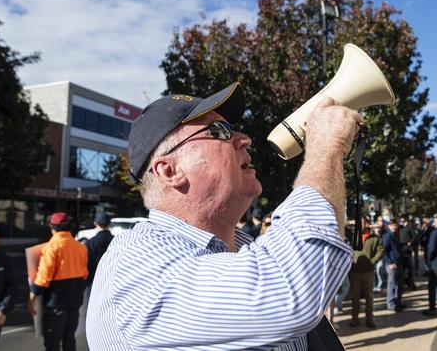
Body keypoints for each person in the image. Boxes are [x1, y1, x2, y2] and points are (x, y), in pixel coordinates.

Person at [86, 84, 363, 349]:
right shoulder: (135, 266)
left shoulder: (241, 248)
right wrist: (327, 148)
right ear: (169, 171)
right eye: (219, 131)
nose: (244, 139)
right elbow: (288, 291)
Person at [29, 212, 88, 351]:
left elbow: (44, 277)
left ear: (51, 226)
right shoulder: (81, 247)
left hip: (56, 303)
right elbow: (85, 274)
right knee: (69, 340)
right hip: (74, 300)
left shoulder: (51, 247)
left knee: (52, 343)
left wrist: (32, 297)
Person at [350, 218, 384, 328]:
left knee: (369, 297)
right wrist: (351, 222)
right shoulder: (353, 236)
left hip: (368, 271)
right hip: (355, 271)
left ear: (367, 224)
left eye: (362, 222)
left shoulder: (374, 238)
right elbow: (342, 225)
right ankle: (355, 318)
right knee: (355, 296)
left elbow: (381, 251)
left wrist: (372, 261)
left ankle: (369, 319)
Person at [85, 212, 114, 286]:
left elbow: (87, 264)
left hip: (93, 280)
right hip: (111, 279)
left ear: (95, 223)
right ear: (109, 223)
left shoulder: (91, 242)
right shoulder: (116, 240)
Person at [382, 220, 404, 312]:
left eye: (396, 225)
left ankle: (397, 301)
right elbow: (384, 250)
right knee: (392, 284)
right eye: (392, 225)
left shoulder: (395, 235)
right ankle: (391, 303)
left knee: (399, 283)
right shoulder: (388, 236)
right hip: (392, 264)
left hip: (398, 262)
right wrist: (390, 262)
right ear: (389, 226)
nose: (394, 227)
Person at [398, 215, 417, 290]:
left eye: (402, 219)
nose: (401, 220)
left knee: (409, 268)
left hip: (408, 249)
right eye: (400, 219)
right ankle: (402, 284)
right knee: (402, 269)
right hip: (401, 249)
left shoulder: (410, 227)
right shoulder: (400, 228)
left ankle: (411, 284)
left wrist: (410, 243)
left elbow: (415, 236)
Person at [372, 216, 387, 293]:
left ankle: (379, 286)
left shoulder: (384, 232)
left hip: (380, 255)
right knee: (374, 271)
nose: (380, 222)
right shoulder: (372, 232)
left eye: (382, 220)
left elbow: (384, 244)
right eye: (379, 220)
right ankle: (374, 286)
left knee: (379, 270)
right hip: (372, 254)